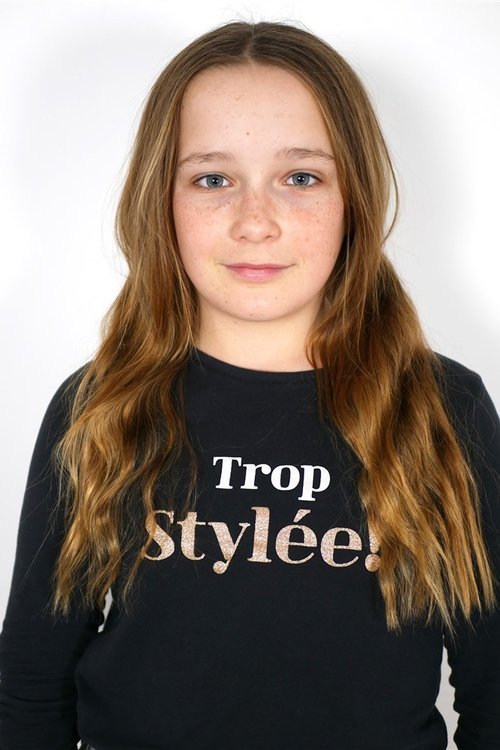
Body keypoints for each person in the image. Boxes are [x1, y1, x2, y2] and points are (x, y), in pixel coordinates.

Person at [0, 19, 499, 750]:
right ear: (162, 199)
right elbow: (29, 688)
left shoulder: (442, 409)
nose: (255, 222)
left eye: (301, 178)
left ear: (353, 196)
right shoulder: (100, 407)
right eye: (213, 179)